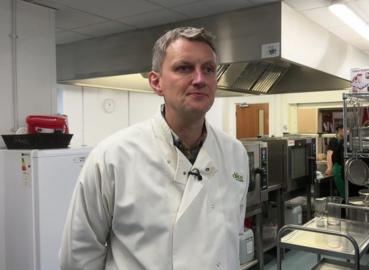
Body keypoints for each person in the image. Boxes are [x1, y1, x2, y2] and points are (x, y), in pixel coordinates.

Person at [59, 27, 250, 270]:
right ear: (156, 82)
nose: (200, 79)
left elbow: (229, 239)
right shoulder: (112, 157)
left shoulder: (235, 154)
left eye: (208, 69)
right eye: (184, 68)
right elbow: (78, 256)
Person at [325, 125, 345, 198]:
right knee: (343, 194)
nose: (347, 132)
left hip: (343, 169)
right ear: (339, 130)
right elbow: (329, 154)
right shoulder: (334, 140)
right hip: (338, 170)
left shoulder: (345, 141)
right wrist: (329, 168)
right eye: (345, 129)